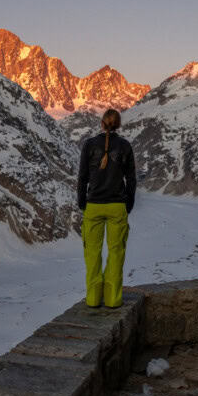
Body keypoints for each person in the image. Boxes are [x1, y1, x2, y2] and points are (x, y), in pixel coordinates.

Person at [77, 109, 136, 308]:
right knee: (116, 252)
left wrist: (82, 202)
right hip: (117, 206)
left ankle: (93, 299)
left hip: (93, 206)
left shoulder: (89, 145)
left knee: (92, 253)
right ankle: (112, 300)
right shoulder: (125, 146)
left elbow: (82, 177)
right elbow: (131, 179)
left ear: (102, 123)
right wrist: (128, 204)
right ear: (118, 125)